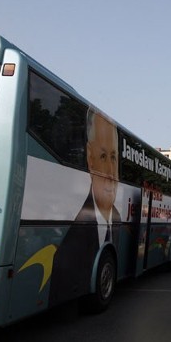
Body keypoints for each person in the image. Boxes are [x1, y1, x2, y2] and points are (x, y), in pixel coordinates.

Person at [49, 108, 121, 305]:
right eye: (103, 156)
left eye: (113, 158)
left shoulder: (120, 224)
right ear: (90, 158)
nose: (109, 173)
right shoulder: (68, 246)